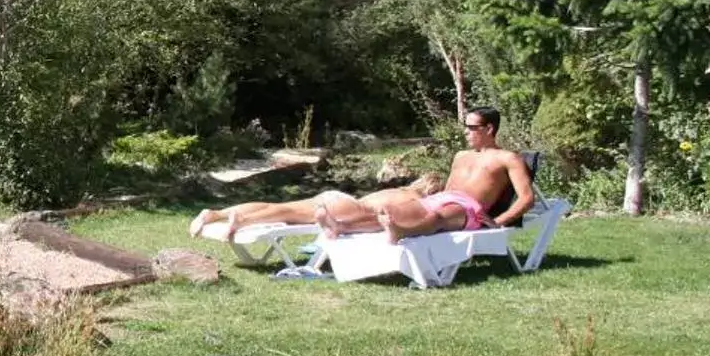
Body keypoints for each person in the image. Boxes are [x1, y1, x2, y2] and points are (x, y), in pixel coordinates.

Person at [320, 107, 536, 242]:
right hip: (443, 199)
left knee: (439, 217)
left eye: (471, 127)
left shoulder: (508, 158)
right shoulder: (461, 155)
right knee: (391, 211)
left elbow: (526, 198)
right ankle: (341, 226)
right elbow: (449, 189)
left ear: (489, 129)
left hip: (469, 209)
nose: (465, 131)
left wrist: (498, 222)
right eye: (465, 126)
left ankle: (401, 232)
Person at [192, 175, 443, 242]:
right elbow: (386, 216)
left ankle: (217, 214)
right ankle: (241, 222)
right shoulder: (413, 199)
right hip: (350, 206)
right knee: (286, 214)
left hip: (337, 196)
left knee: (279, 207)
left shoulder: (397, 189)